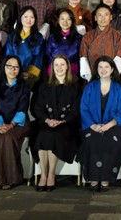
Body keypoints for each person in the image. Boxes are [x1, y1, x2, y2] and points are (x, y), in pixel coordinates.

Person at [78, 56, 121, 192]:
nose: (103, 70)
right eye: (100, 67)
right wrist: (93, 125)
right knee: (92, 140)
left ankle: (106, 178)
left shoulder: (119, 89)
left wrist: (108, 125)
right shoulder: (90, 87)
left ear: (112, 69)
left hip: (114, 126)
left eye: (106, 67)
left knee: (110, 140)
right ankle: (93, 178)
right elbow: (83, 108)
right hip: (91, 125)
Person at [31, 55, 82, 191]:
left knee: (54, 135)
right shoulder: (44, 86)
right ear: (52, 68)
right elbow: (37, 107)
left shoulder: (75, 86)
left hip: (67, 124)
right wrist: (48, 120)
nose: (59, 68)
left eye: (62, 65)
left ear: (67, 67)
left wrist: (62, 121)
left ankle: (51, 175)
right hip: (46, 122)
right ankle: (43, 175)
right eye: (56, 65)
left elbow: (77, 109)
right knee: (43, 134)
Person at [0, 56, 31, 190]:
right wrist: (0, 124)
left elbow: (23, 107)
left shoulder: (24, 86)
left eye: (16, 67)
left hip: (19, 123)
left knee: (9, 137)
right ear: (3, 68)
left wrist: (11, 125)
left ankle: (11, 178)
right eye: (9, 66)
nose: (12, 69)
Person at [79, 4, 121, 81]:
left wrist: (111, 75)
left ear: (110, 17)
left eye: (106, 15)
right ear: (95, 18)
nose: (103, 18)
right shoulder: (88, 36)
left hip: (111, 78)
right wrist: (90, 77)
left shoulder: (117, 35)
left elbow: (120, 57)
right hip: (92, 77)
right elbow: (83, 57)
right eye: (100, 15)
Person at [5, 6, 45, 85]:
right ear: (20, 18)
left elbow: (38, 57)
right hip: (12, 72)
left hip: (28, 75)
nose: (28, 20)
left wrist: (30, 73)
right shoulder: (12, 36)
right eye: (25, 17)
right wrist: (12, 69)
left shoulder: (38, 37)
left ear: (35, 19)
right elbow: (8, 54)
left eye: (32, 17)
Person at [45, 8, 82, 77]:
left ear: (72, 21)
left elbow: (80, 58)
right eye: (62, 19)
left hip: (72, 73)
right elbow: (48, 55)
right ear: (58, 21)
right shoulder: (52, 37)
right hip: (54, 72)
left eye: (68, 19)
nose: (65, 22)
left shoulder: (79, 38)